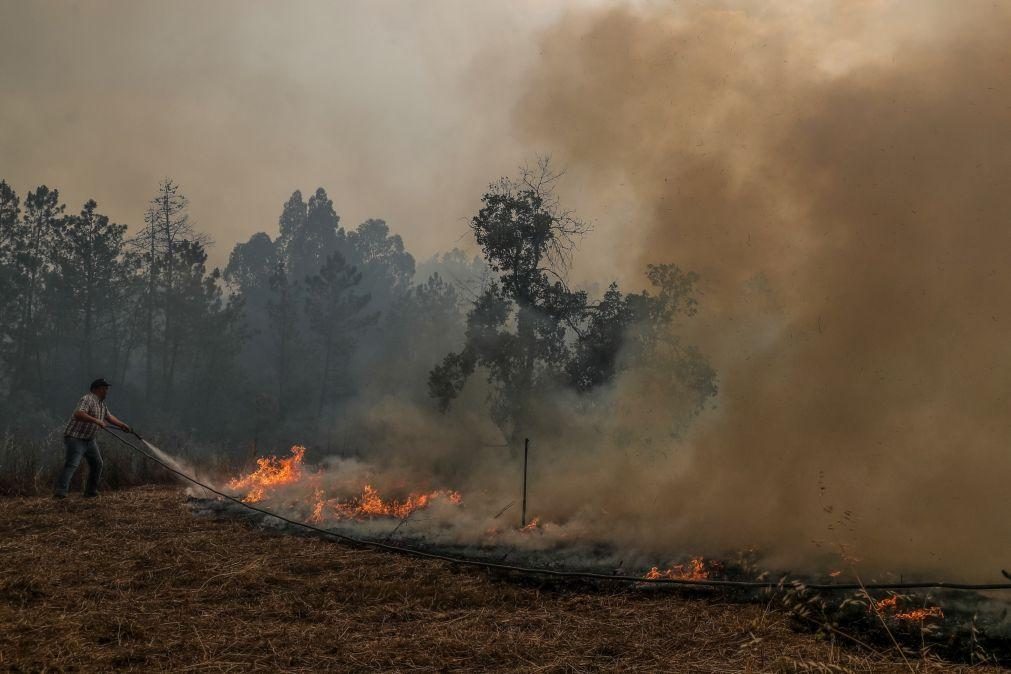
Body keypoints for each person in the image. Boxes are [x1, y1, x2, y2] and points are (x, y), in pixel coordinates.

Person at [53, 378, 131, 499]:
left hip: (89, 440)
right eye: (103, 389)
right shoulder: (87, 399)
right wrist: (96, 420)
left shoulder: (101, 404)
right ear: (95, 389)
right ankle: (60, 492)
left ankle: (90, 491)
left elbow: (109, 417)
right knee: (72, 464)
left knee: (97, 464)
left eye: (106, 389)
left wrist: (122, 425)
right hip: (75, 438)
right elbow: (78, 413)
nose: (106, 391)